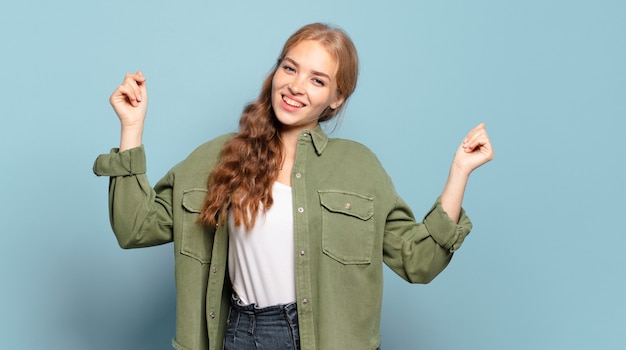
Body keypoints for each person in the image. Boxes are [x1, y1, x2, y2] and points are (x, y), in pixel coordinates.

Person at [93, 22, 493, 350]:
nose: (296, 86)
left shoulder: (358, 168)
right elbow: (135, 228)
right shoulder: (217, 157)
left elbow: (416, 261)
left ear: (337, 98)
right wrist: (132, 127)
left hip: (314, 338)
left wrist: (459, 171)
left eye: (317, 80)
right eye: (290, 68)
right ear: (276, 71)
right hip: (235, 333)